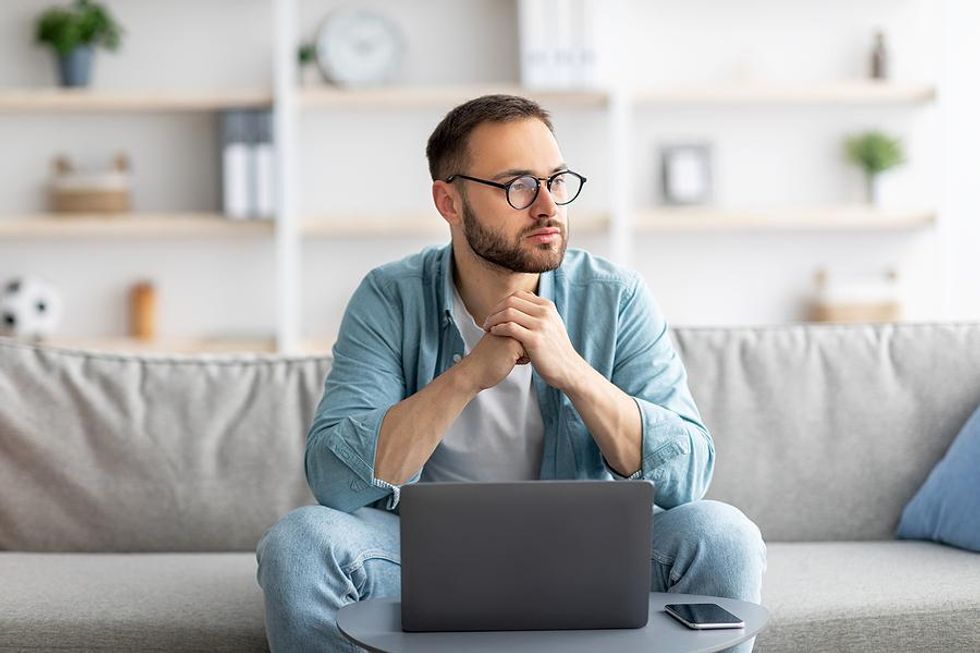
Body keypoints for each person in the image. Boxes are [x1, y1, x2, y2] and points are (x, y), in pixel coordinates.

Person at [256, 94, 766, 653]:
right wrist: (468, 376)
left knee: (723, 535)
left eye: (557, 180)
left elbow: (688, 477)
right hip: (423, 559)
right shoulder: (389, 297)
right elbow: (334, 479)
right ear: (449, 202)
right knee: (301, 544)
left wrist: (572, 372)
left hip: (588, 555)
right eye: (518, 186)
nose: (548, 206)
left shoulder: (616, 297)